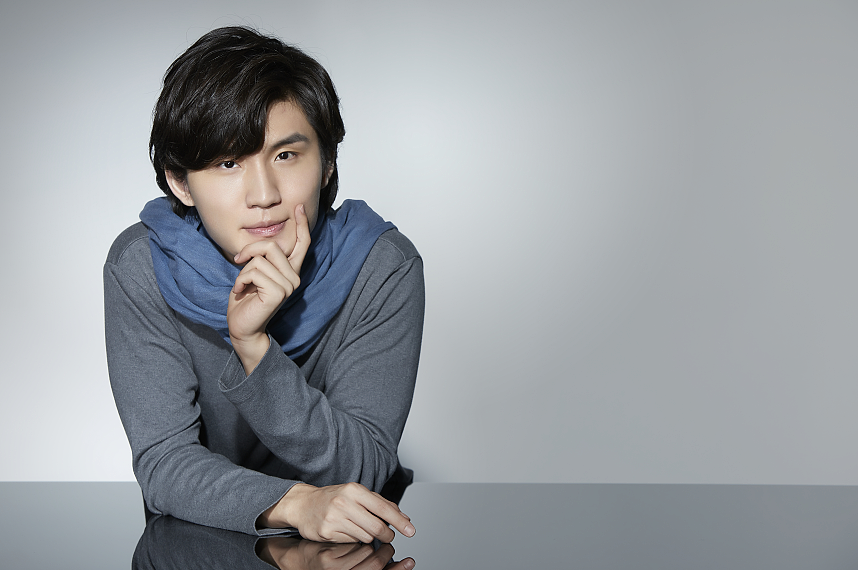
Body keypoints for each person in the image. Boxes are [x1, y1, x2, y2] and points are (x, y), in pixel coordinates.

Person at [104, 26, 424, 544]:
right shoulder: (143, 264)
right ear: (180, 182)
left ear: (327, 163)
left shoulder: (381, 264)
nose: (263, 194)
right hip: (199, 538)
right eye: (229, 163)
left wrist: (253, 347)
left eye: (285, 155)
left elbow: (363, 467)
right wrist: (293, 503)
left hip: (350, 540)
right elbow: (164, 463)